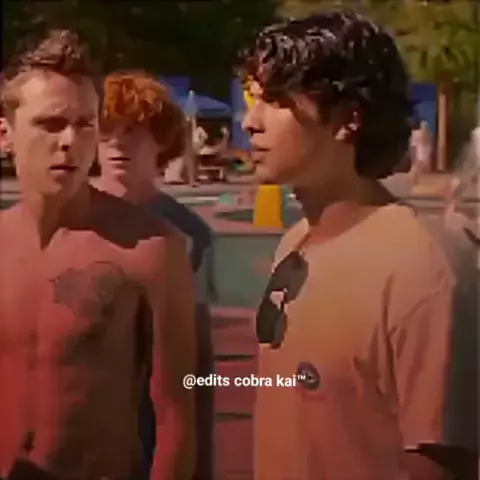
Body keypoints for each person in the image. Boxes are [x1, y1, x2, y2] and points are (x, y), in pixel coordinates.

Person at [239, 12, 471, 480]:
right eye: (254, 99)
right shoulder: (294, 243)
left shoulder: (422, 266)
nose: (250, 122)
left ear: (348, 120)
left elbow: (438, 461)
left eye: (276, 100)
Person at [0, 30, 196, 480]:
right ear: (6, 134)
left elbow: (176, 413)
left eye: (85, 124)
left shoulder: (151, 247)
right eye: (51, 124)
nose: (70, 140)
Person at [96, 70, 214, 479]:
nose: (117, 142)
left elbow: (196, 368)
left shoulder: (188, 236)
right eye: (106, 130)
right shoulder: (65, 219)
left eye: (132, 130)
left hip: (150, 428)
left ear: (161, 138)